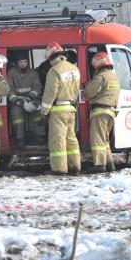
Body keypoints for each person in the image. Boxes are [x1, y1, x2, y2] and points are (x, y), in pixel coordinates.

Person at [40, 42, 81, 176]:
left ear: (51, 57)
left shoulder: (54, 70)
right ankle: (75, 167)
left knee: (58, 140)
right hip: (70, 108)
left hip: (58, 110)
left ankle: (59, 169)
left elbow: (50, 92)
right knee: (71, 138)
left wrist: (44, 110)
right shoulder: (74, 69)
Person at [84, 52, 120, 173]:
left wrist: (86, 87)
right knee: (105, 140)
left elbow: (89, 93)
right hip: (110, 112)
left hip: (99, 112)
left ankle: (99, 165)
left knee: (97, 139)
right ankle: (110, 164)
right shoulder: (113, 76)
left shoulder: (101, 76)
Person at [7, 52, 45, 147]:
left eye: (25, 61)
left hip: (31, 100)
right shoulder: (11, 73)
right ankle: (20, 138)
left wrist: (30, 97)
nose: (23, 64)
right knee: (16, 115)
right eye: (21, 62)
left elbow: (37, 87)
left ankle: (39, 136)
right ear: (16, 63)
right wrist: (16, 100)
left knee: (38, 113)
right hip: (17, 102)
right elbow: (9, 89)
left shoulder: (33, 73)